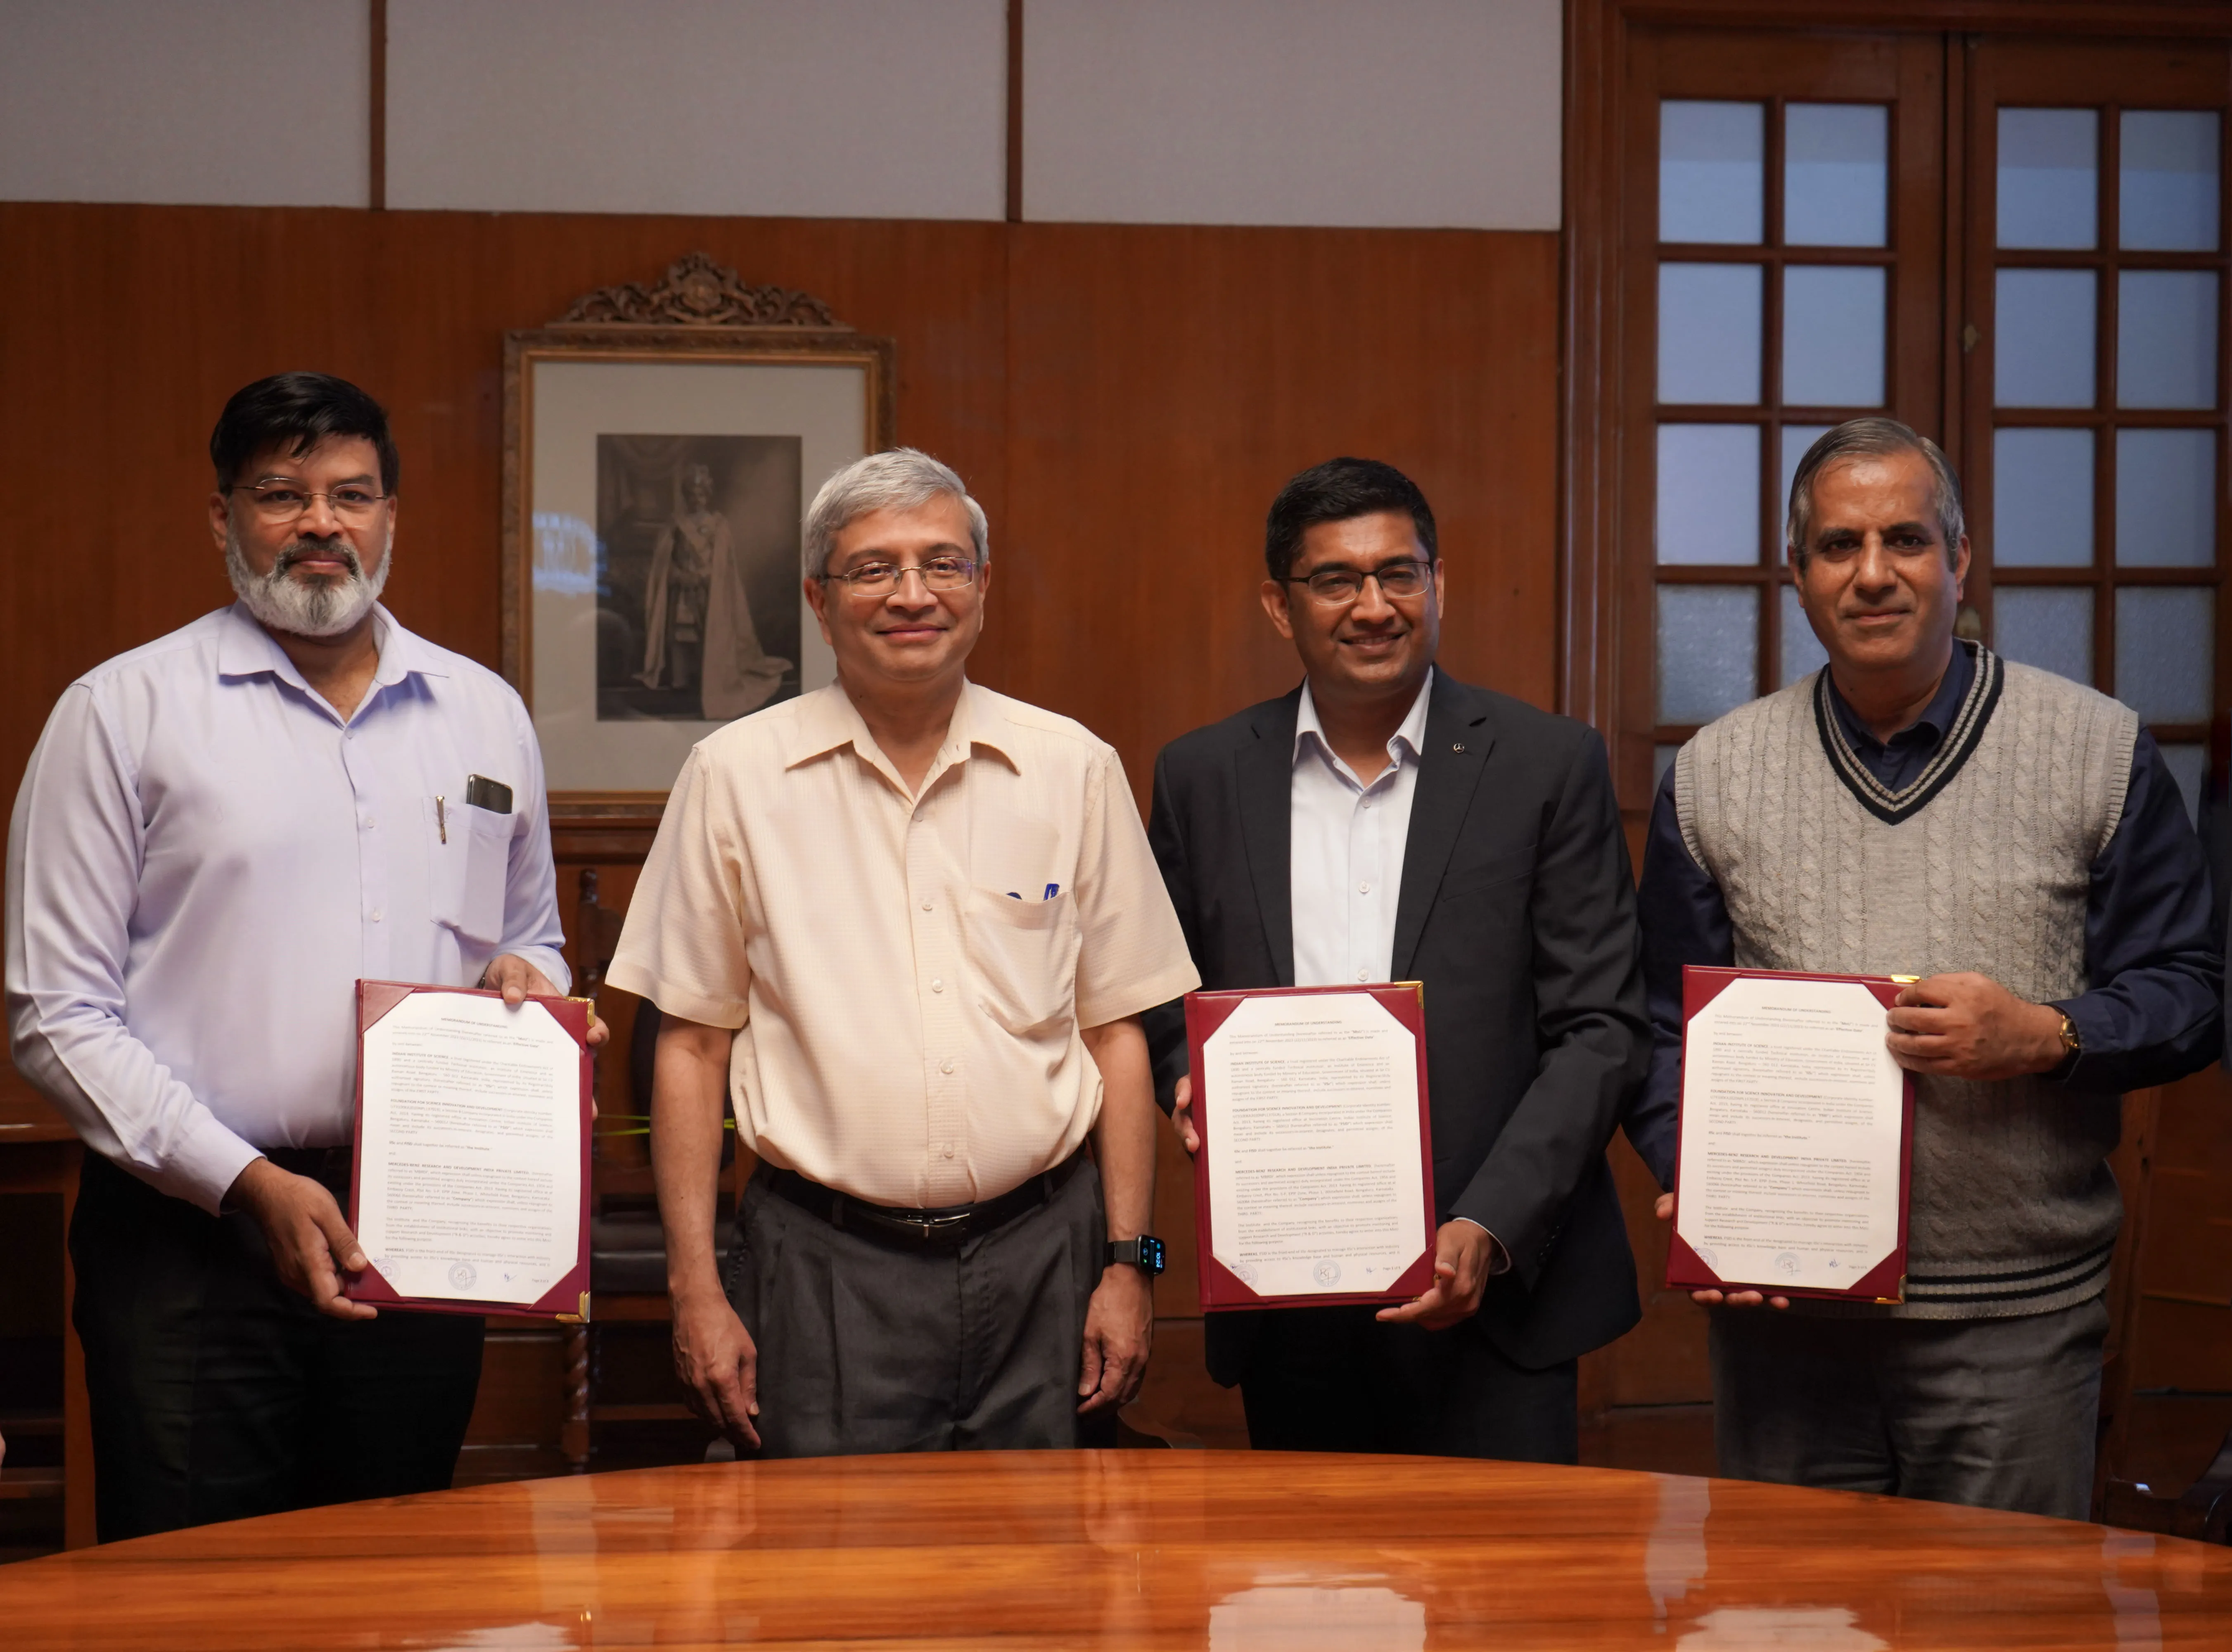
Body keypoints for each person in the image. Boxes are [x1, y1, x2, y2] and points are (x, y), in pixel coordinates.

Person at [5, 373, 588, 1540]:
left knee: (392, 1571)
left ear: (387, 520)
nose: (321, 523)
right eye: (281, 494)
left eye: (350, 495)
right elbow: (54, 1013)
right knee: (192, 1590)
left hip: (418, 1221)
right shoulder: (122, 712)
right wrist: (247, 1183)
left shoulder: (482, 713)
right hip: (191, 1238)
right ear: (222, 520)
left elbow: (530, 937)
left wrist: (532, 986)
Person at [1630, 416, 2223, 1519]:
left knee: (1995, 1626)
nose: (1871, 575)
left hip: (2013, 1326)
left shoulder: (2095, 751)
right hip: (1782, 1320)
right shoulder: (1713, 773)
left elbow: (2191, 992)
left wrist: (2046, 1036)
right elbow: (1660, 1022)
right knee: (1785, 1624)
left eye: (1903, 541)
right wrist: (1690, 1171)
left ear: (1957, 560)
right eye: (1835, 547)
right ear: (1793, 576)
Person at [607, 447, 1198, 1457]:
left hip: (1044, 1255)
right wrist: (695, 1286)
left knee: (1046, 1586)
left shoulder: (1073, 769)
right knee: (832, 1585)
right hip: (822, 1263)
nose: (912, 593)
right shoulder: (734, 778)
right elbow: (690, 1047)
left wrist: (1128, 1265)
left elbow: (1118, 1032)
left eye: (943, 563)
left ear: (982, 586)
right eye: (873, 568)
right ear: (817, 597)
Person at [1143, 457, 1650, 1461]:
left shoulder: (1546, 763)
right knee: (1304, 1608)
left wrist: (1490, 1224)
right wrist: (1184, 1076)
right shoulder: (1201, 776)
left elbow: (1602, 1027)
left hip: (1500, 1301)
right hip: (1286, 1297)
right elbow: (1165, 995)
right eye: (1336, 580)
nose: (1373, 606)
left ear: (1438, 584)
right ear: (1278, 606)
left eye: (1399, 574)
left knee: (1503, 1611)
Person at [637, 461, 789, 719]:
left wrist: (702, 576)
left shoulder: (719, 525)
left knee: (705, 634)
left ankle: (705, 680)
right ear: (686, 495)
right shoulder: (675, 525)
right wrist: (678, 575)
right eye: (692, 494)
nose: (696, 499)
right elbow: (664, 563)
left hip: (708, 590)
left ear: (707, 495)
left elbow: (723, 566)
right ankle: (680, 681)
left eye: (701, 494)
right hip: (681, 591)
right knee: (680, 636)